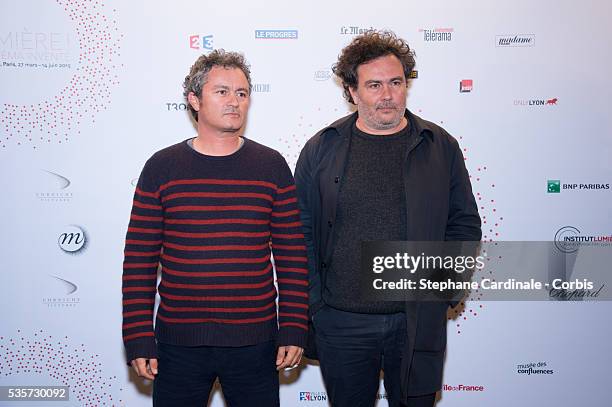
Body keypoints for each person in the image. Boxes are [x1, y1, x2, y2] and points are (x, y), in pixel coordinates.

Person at [295, 30, 481, 407]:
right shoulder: (322, 147)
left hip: (416, 321)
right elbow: (300, 231)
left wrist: (444, 291)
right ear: (352, 91)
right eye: (374, 85)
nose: (387, 95)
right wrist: (317, 306)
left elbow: (463, 224)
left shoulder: (439, 146)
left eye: (396, 82)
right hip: (342, 323)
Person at [121, 49, 308, 407]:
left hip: (256, 342)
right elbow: (139, 261)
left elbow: (292, 256)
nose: (234, 101)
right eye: (222, 91)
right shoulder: (162, 167)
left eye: (241, 93)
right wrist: (138, 336)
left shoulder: (271, 166)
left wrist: (295, 326)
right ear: (194, 99)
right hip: (178, 345)